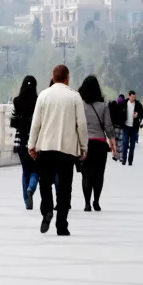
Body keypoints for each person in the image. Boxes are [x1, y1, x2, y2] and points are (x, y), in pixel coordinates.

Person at [28, 64, 88, 236]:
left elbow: (36, 123)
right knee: (65, 188)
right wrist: (83, 147)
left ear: (53, 78)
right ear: (67, 78)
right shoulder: (74, 97)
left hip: (46, 148)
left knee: (45, 182)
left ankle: (47, 209)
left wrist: (31, 145)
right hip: (67, 150)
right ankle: (62, 225)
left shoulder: (43, 96)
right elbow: (82, 125)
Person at [77, 74, 115, 213]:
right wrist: (113, 144)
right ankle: (96, 202)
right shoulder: (103, 105)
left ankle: (87, 203)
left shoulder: (79, 105)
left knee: (86, 174)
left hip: (85, 144)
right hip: (99, 144)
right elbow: (108, 126)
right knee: (99, 174)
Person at [10, 75, 39, 210]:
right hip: (34, 140)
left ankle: (26, 199)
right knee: (35, 169)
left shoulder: (16, 101)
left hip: (20, 140)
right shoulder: (38, 101)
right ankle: (31, 189)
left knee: (25, 170)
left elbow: (13, 120)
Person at [120, 90, 143, 166]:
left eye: (134, 97)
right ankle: (124, 159)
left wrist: (138, 114)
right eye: (132, 97)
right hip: (126, 126)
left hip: (134, 127)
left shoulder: (137, 104)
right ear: (129, 96)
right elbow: (119, 113)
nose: (134, 98)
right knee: (124, 143)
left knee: (132, 145)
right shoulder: (124, 103)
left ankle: (130, 161)